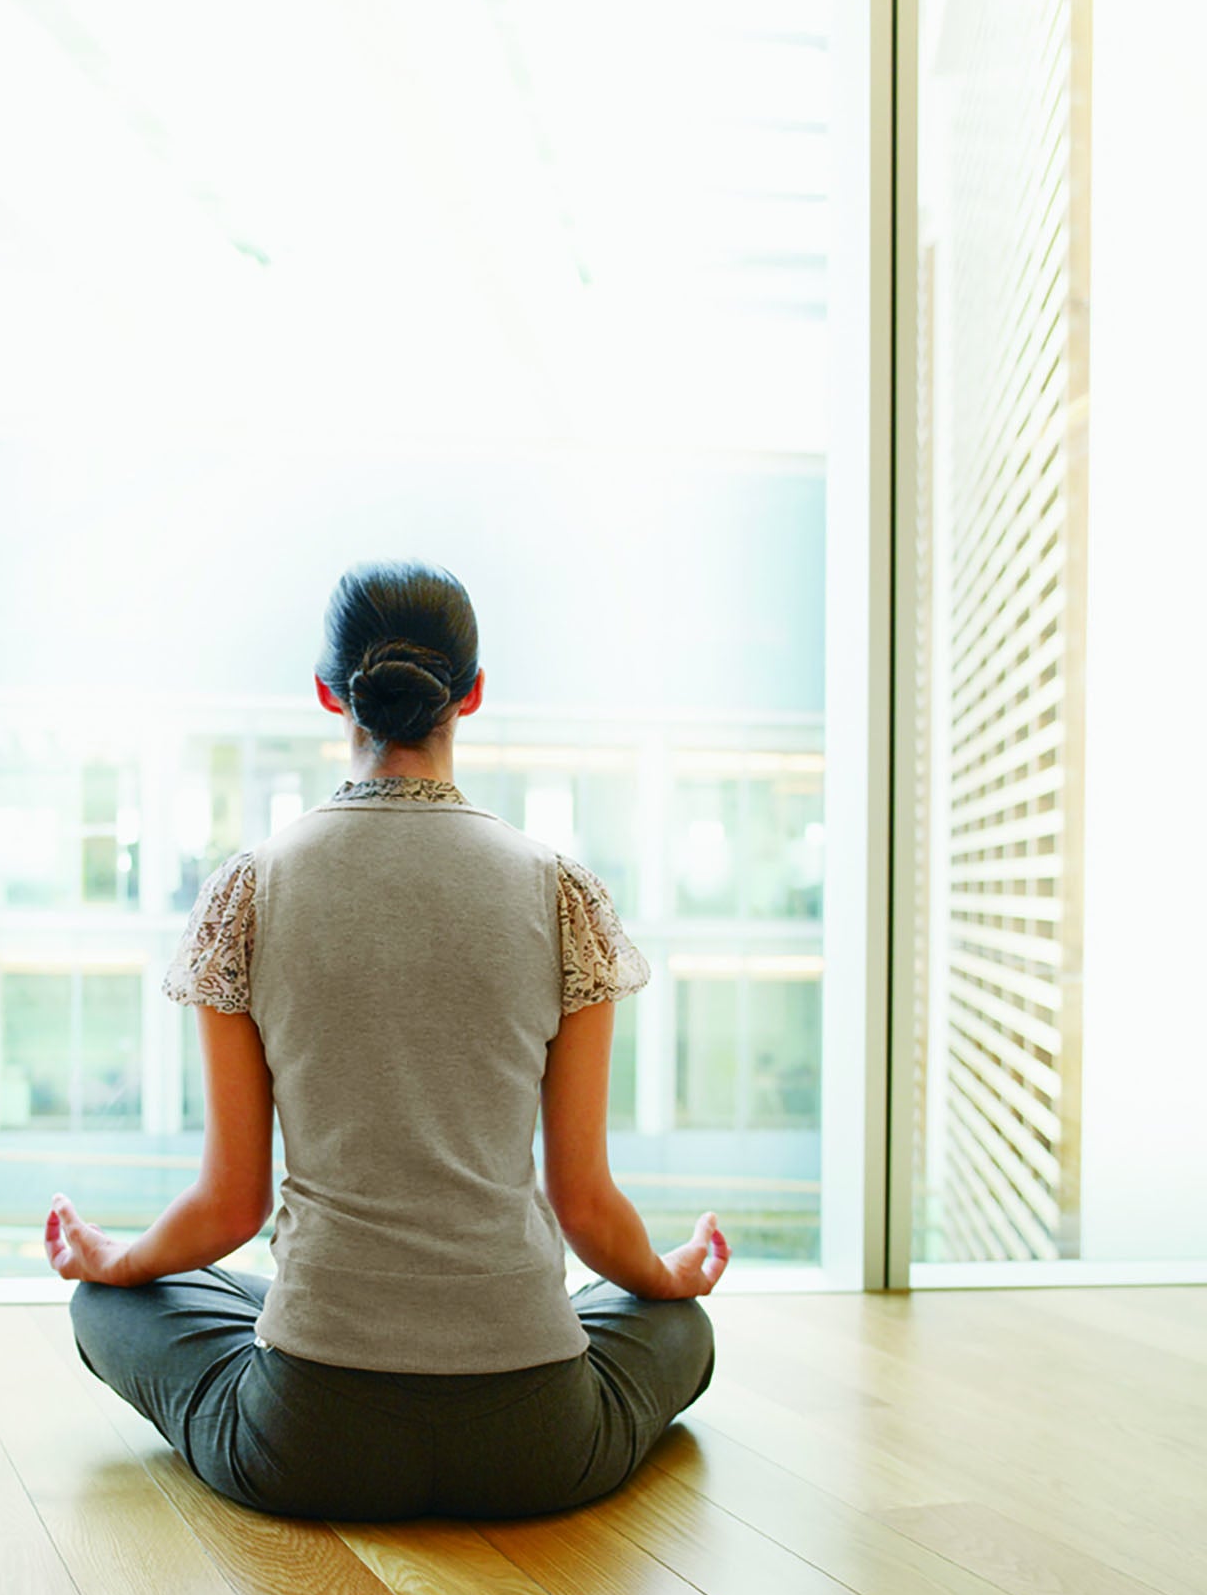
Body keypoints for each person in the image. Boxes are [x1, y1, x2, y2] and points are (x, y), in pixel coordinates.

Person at [45, 560, 729, 1521]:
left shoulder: (249, 891)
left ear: (330, 694)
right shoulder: (560, 892)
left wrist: (112, 1261)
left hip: (311, 1438)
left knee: (114, 1306)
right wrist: (668, 1279)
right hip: (537, 1442)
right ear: (474, 694)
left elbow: (232, 1203)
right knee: (677, 1328)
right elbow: (583, 1202)